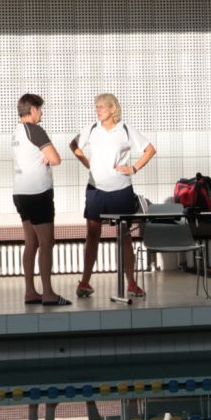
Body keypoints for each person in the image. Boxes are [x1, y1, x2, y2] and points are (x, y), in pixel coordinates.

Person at [70, 94, 155, 299]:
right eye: (96, 106)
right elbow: (74, 145)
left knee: (124, 236)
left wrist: (133, 168)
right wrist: (88, 163)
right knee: (92, 234)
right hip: (96, 189)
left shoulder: (125, 129)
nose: (98, 110)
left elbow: (150, 150)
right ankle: (85, 282)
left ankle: (131, 284)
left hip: (121, 189)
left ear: (112, 109)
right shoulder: (92, 128)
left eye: (101, 106)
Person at [11, 94, 68, 306]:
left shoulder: (17, 132)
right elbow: (56, 159)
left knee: (31, 242)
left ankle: (30, 291)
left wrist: (43, 157)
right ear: (33, 109)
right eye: (40, 109)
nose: (42, 112)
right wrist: (48, 157)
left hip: (20, 193)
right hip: (38, 193)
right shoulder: (34, 130)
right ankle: (49, 293)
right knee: (46, 242)